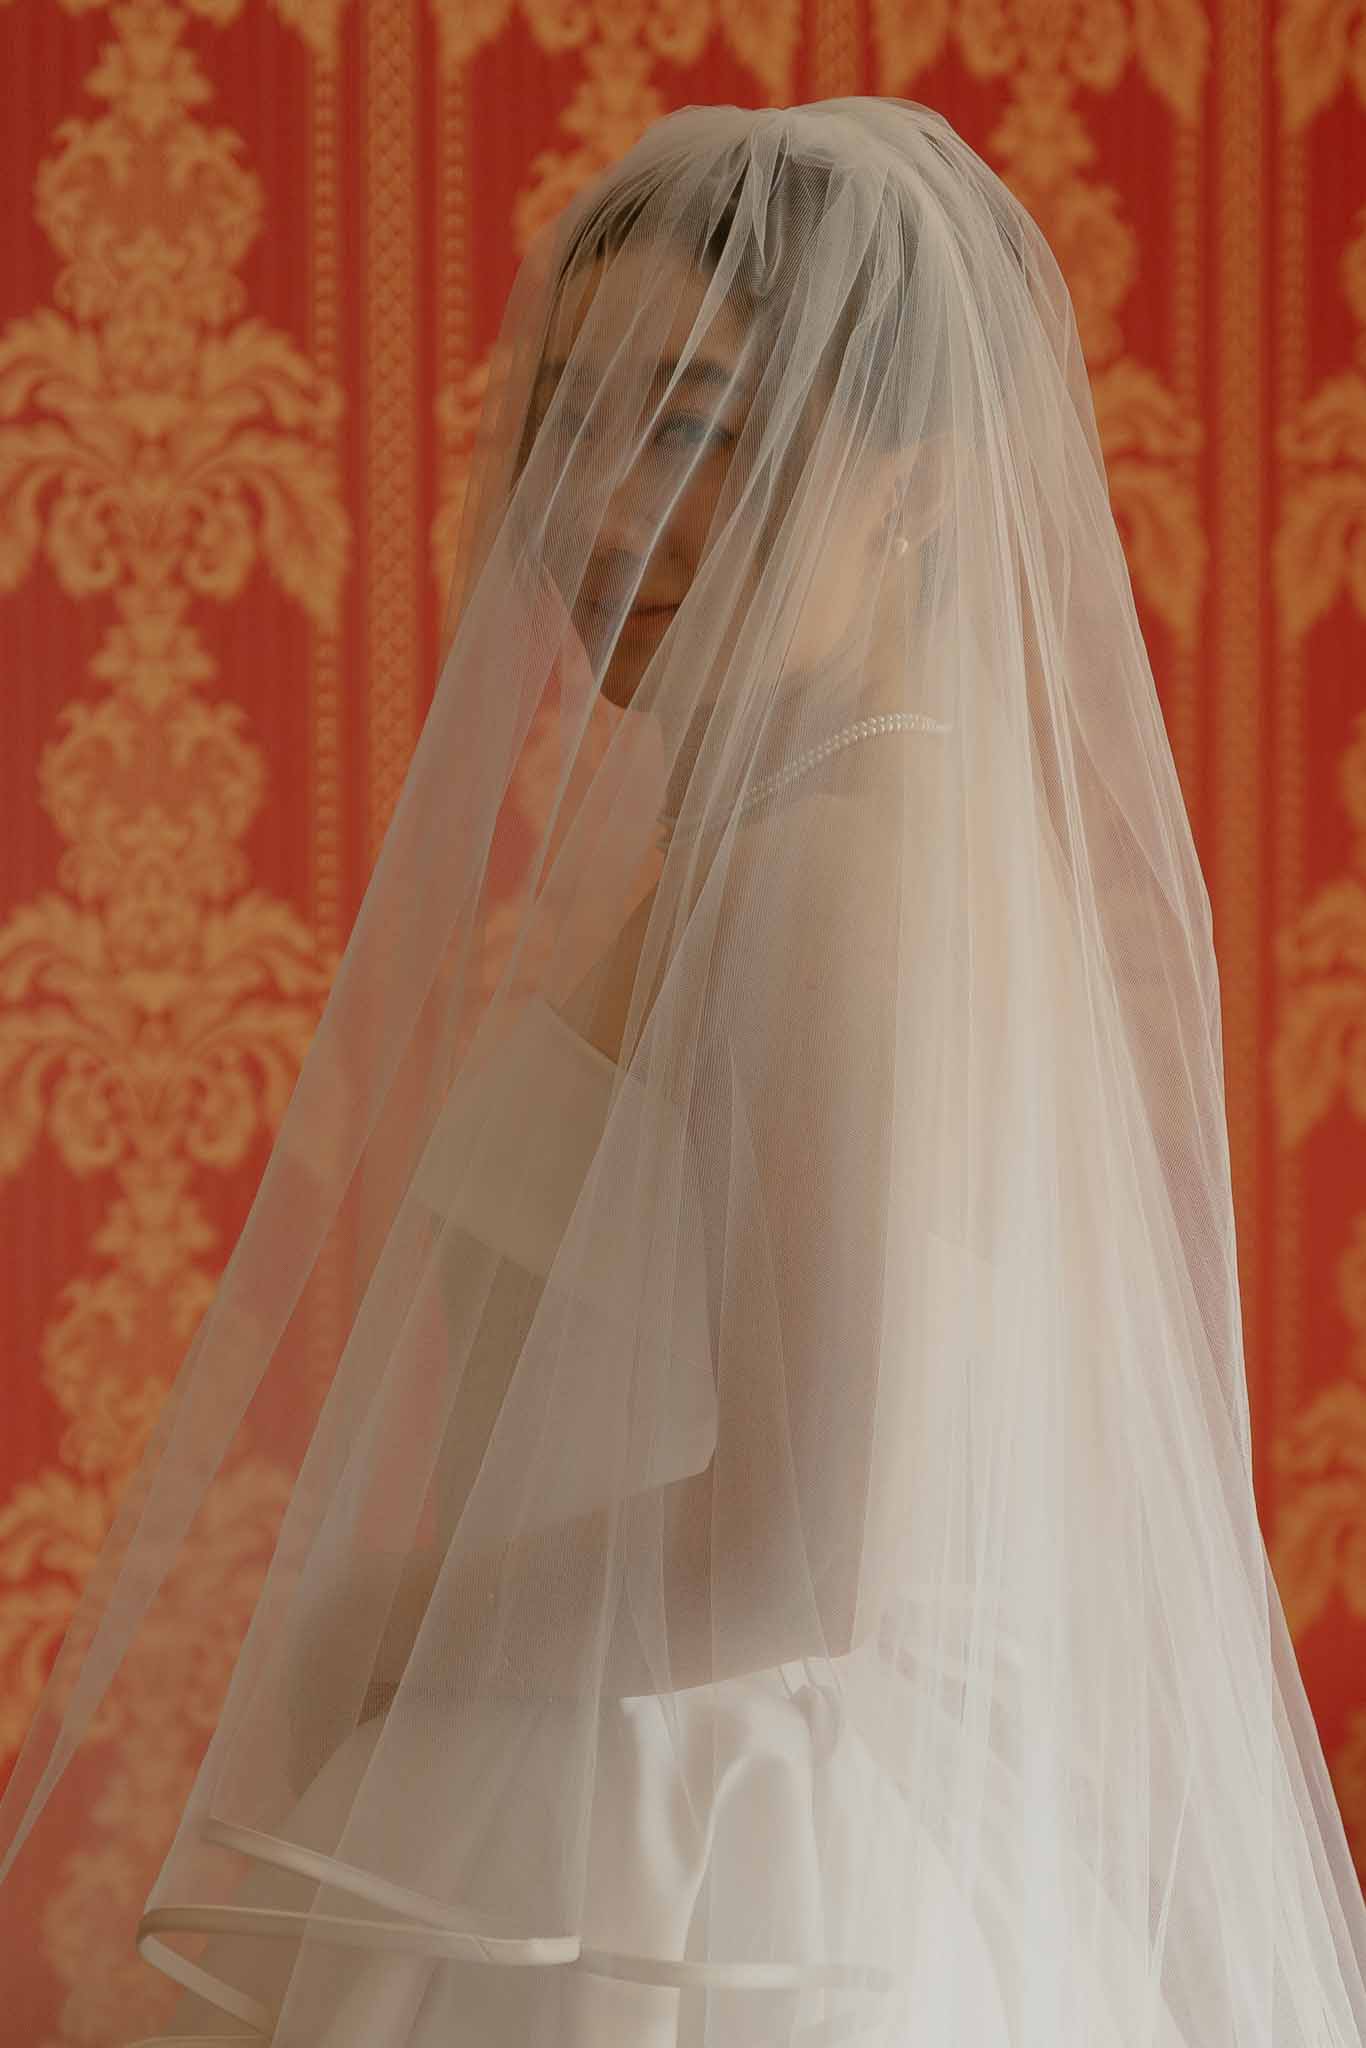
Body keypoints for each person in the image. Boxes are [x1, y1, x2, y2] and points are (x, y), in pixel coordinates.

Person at [2, 97, 1364, 2048]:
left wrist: (371, 1631)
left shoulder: (834, 866)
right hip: (640, 1787)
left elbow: (805, 1543)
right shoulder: (795, 835)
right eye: (571, 418)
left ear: (909, 483)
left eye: (699, 424)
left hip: (702, 1871)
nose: (601, 508)